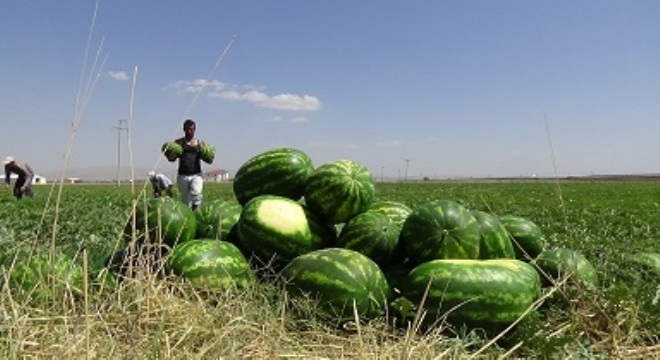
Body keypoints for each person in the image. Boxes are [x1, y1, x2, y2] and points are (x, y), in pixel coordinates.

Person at [167, 119, 214, 210]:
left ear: (195, 130)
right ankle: (187, 218)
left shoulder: (200, 143)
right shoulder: (178, 143)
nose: (189, 131)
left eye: (191, 129)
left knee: (196, 195)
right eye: (187, 129)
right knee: (185, 200)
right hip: (183, 175)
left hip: (196, 174)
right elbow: (171, 159)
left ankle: (196, 214)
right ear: (184, 129)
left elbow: (209, 160)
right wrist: (168, 153)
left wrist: (209, 155)